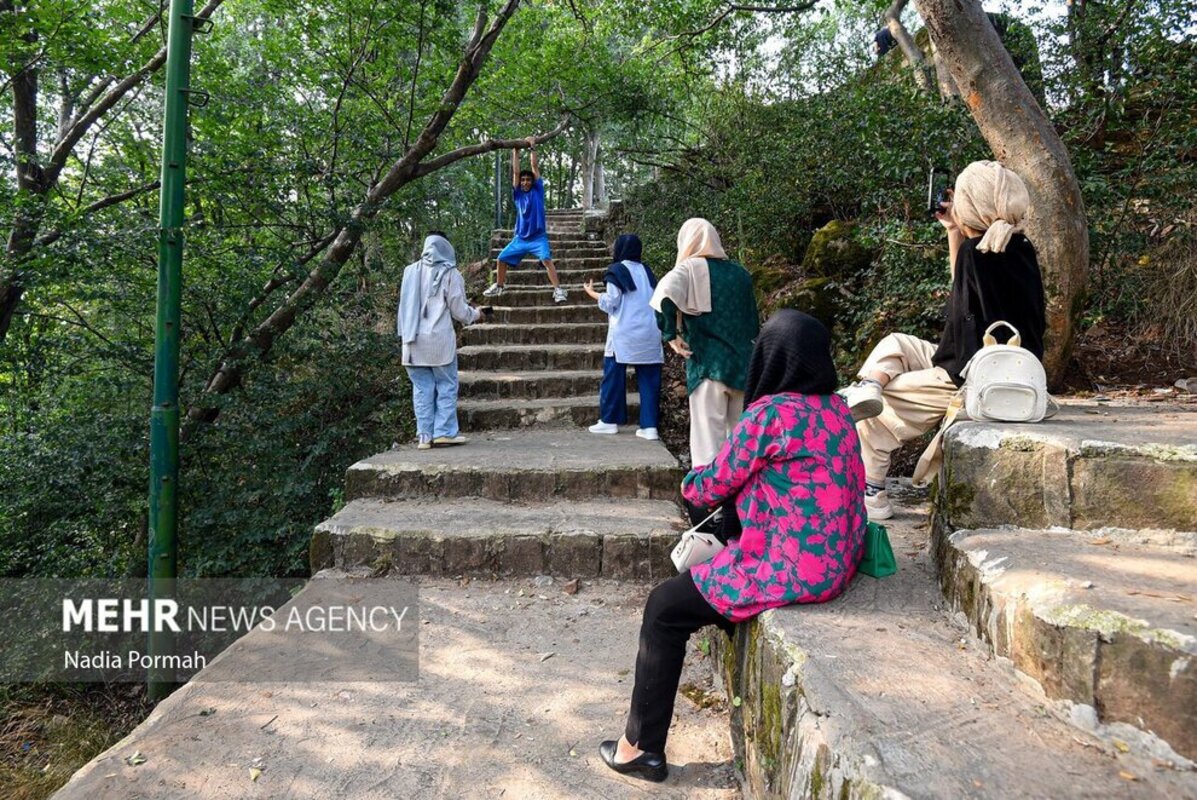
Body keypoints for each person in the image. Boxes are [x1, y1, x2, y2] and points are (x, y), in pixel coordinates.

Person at [599, 310, 867, 783]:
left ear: (768, 356)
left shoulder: (771, 415)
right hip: (840, 561)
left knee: (664, 607)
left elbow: (709, 487)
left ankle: (640, 748)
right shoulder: (837, 409)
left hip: (790, 569)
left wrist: (688, 481)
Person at [840, 160, 1046, 520]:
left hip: (971, 375)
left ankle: (872, 494)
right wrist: (954, 229)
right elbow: (966, 292)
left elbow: (961, 317)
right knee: (897, 342)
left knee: (878, 412)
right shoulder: (1019, 246)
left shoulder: (976, 252)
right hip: (1009, 364)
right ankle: (869, 384)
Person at [649, 218, 758, 468]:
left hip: (707, 367)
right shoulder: (741, 273)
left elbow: (662, 295)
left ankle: (709, 501)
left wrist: (670, 335)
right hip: (744, 368)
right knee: (740, 445)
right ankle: (739, 502)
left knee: (708, 446)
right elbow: (752, 320)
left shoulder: (690, 268)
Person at [397, 233, 490, 449]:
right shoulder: (450, 272)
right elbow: (459, 310)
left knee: (421, 388)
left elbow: (403, 307)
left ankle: (424, 436)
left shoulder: (409, 272)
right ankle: (444, 432)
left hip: (411, 341)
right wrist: (476, 315)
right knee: (446, 385)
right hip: (438, 341)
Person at [583, 234, 663, 440]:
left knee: (613, 376)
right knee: (649, 379)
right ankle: (650, 426)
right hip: (650, 331)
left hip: (624, 332)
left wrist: (591, 293)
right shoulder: (647, 271)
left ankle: (609, 421)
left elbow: (611, 303)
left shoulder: (616, 270)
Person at [482, 138, 567, 304]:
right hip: (520, 238)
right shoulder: (518, 195)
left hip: (538, 237)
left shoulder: (538, 191)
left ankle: (558, 290)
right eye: (523, 180)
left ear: (533, 182)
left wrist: (532, 147)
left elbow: (534, 167)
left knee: (547, 260)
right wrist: (516, 151)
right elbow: (515, 173)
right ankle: (499, 285)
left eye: (528, 180)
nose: (525, 182)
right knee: (501, 259)